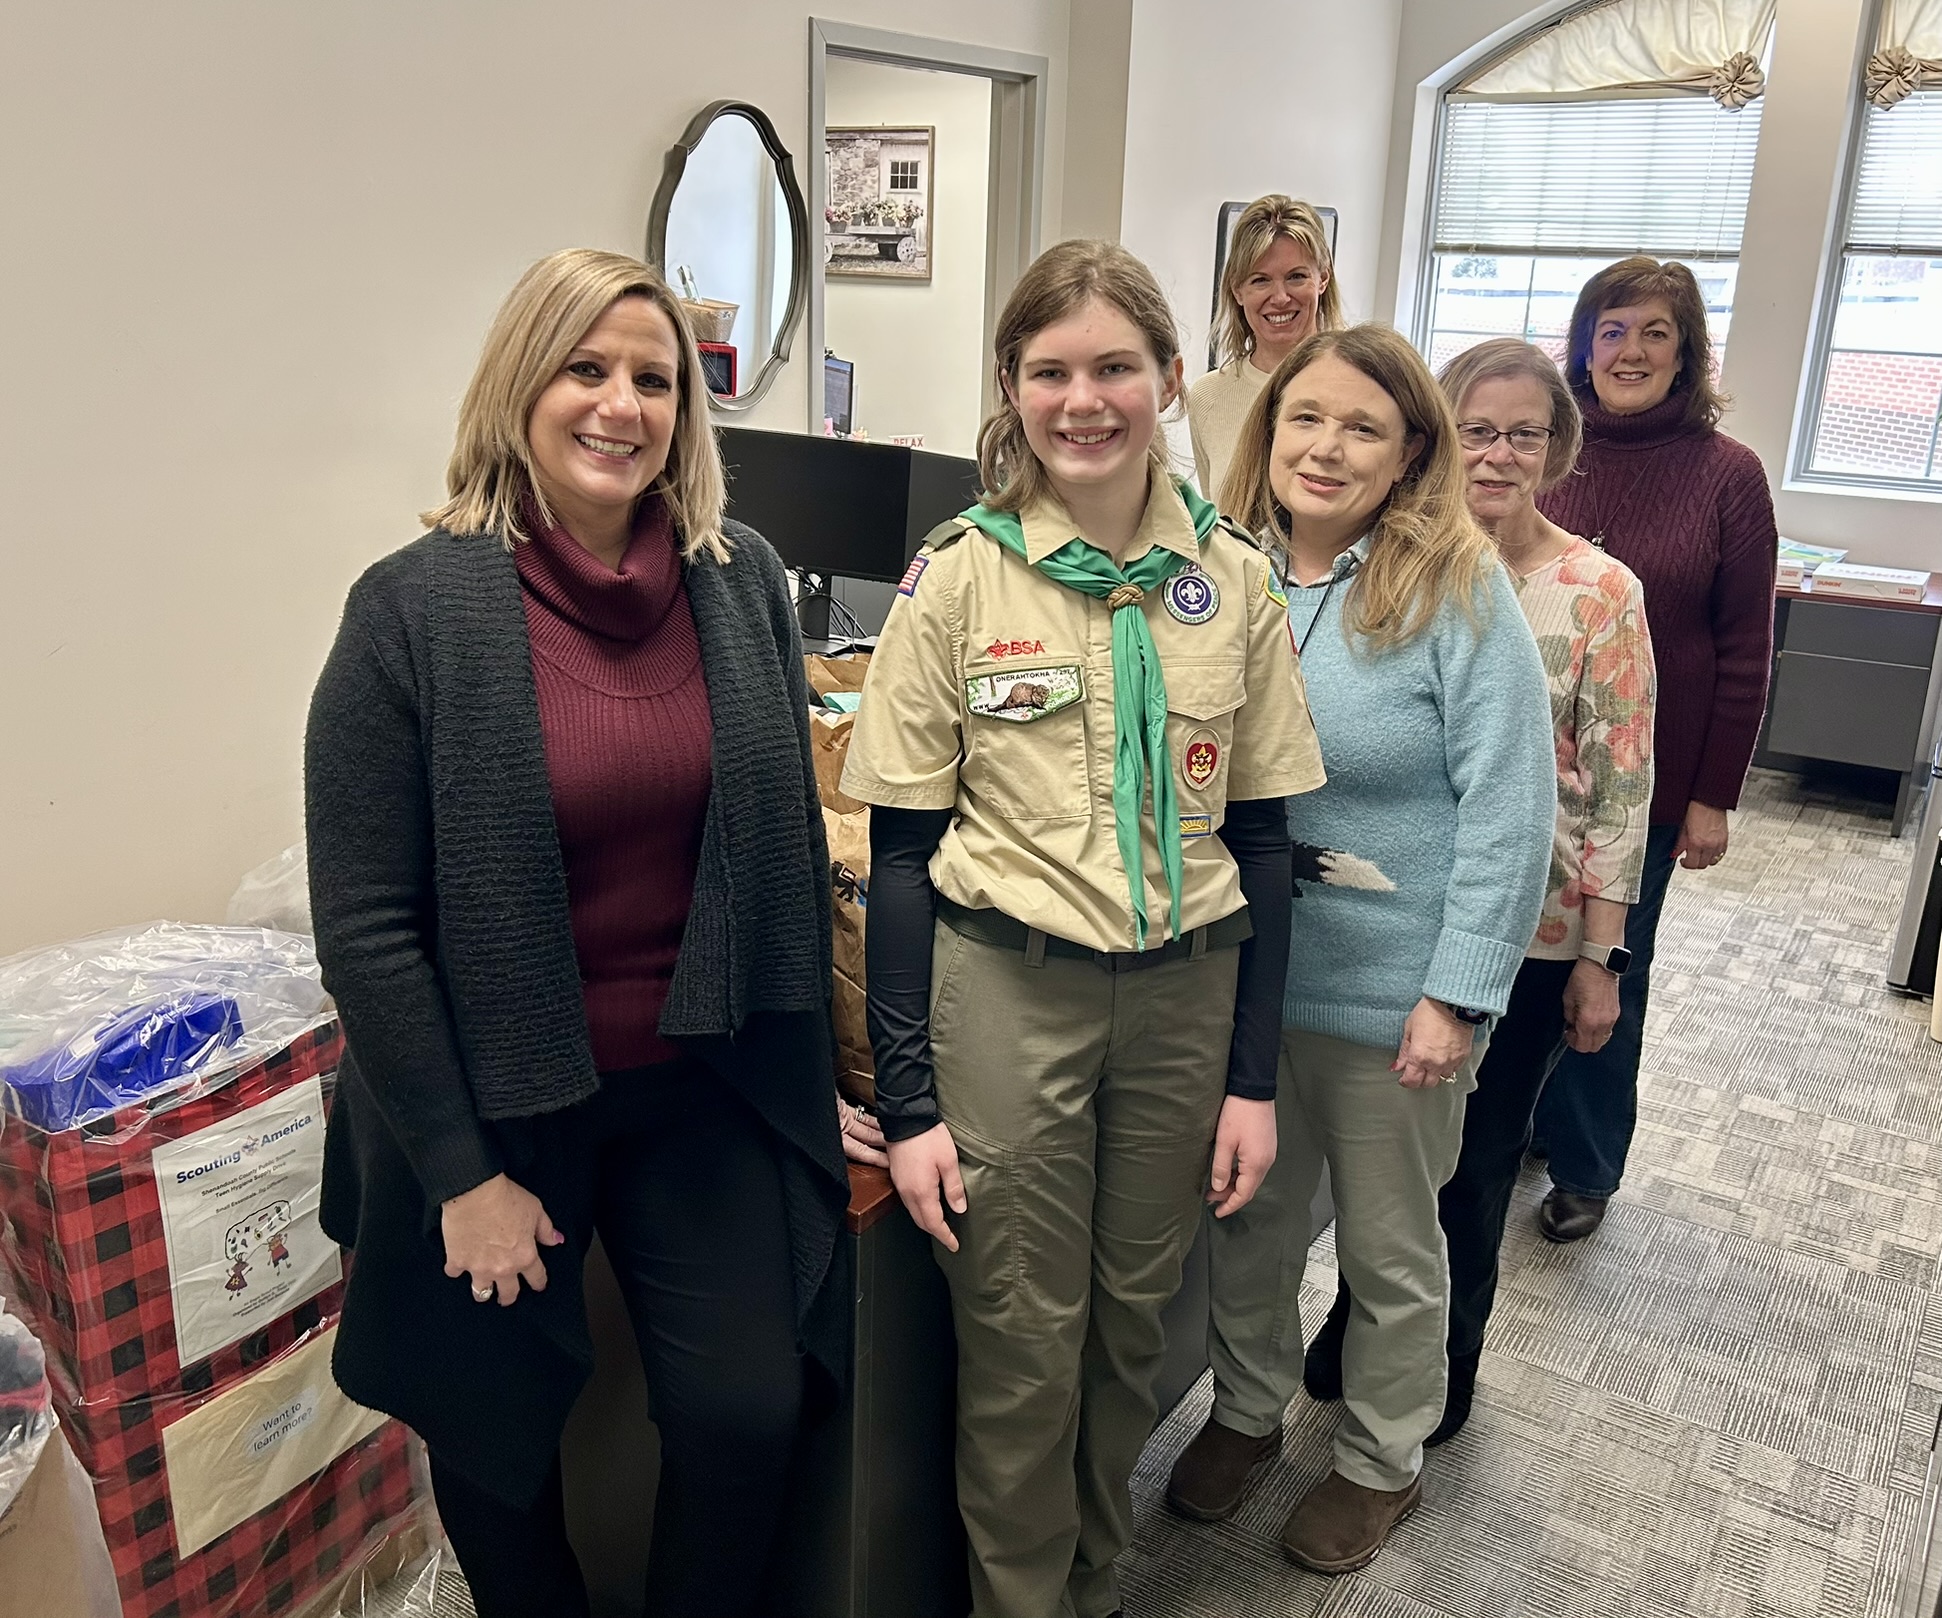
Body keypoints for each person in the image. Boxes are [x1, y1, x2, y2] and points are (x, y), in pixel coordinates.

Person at [305, 248, 851, 1618]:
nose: (622, 405)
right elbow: (367, 925)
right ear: (519, 388)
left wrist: (814, 1081)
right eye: (585, 369)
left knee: (748, 1408)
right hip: (488, 1104)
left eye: (654, 379)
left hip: (696, 1081)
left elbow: (780, 846)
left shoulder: (741, 582)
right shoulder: (413, 609)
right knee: (494, 1438)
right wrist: (458, 1177)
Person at [841, 238, 1326, 1618]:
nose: (1084, 399)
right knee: (1016, 1346)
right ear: (1009, 385)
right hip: (1011, 997)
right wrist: (916, 1099)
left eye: (1116, 365)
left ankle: (1094, 1582)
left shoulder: (1233, 579)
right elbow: (899, 854)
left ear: (1171, 378)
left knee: (1126, 1331)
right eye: (1049, 370)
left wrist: (1247, 1077)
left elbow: (1267, 841)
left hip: (1184, 999)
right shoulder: (955, 580)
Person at [1166, 324, 1555, 1574]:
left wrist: (1459, 990)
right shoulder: (1215, 568)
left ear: (1406, 457)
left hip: (1399, 990)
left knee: (1391, 1245)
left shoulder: (1454, 584)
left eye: (1363, 429)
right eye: (1305, 419)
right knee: (1250, 1226)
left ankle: (1382, 1457)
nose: (1326, 448)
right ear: (1266, 431)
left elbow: (1512, 803)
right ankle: (1242, 1410)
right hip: (1243, 978)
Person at [1303, 339, 1658, 1445]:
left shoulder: (1595, 590)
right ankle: (1363, 1326)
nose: (1495, 454)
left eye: (1524, 433)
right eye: (1473, 428)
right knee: (1388, 1165)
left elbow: (1616, 789)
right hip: (1394, 923)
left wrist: (1602, 961)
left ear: (1557, 450)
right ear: (1428, 439)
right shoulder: (1372, 568)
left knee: (1469, 1172)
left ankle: (1439, 1368)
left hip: (1534, 936)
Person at [1529, 257, 1777, 1243]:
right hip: (1523, 771)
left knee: (1604, 962)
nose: (1630, 351)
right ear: (1584, 344)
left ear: (1687, 353)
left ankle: (1584, 1160)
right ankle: (1518, 1121)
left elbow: (1743, 647)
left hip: (1645, 784)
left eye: (1654, 333)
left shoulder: (1729, 475)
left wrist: (1713, 794)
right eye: (1612, 330)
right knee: (1513, 958)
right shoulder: (1545, 450)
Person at [1188, 194, 1343, 501]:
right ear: (1237, 290)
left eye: (1296, 277)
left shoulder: (1362, 385)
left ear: (1322, 278)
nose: (1281, 297)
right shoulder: (1207, 398)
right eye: (1260, 280)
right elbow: (1220, 523)